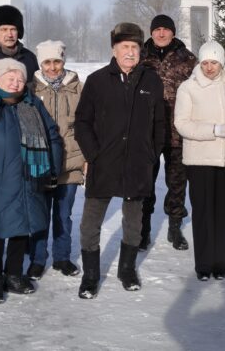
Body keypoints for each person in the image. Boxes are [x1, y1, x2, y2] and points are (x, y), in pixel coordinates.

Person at [0, 58, 62, 305]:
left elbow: (52, 136)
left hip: (30, 179)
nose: (15, 83)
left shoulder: (32, 104)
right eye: (10, 78)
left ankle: (14, 275)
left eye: (20, 79)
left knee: (21, 228)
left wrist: (52, 170)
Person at [74, 22, 165, 299]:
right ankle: (90, 276)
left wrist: (151, 153)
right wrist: (94, 154)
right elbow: (82, 121)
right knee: (90, 223)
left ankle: (127, 269)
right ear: (114, 49)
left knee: (134, 223)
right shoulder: (97, 80)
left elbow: (160, 123)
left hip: (137, 164)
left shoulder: (151, 81)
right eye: (125, 46)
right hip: (104, 163)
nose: (130, 52)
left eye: (134, 47)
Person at [174, 41, 225, 281]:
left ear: (222, 62)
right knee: (203, 212)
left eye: (213, 62)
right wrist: (216, 129)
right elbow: (182, 124)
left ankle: (221, 264)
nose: (209, 67)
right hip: (200, 159)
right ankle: (204, 265)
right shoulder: (188, 87)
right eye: (204, 62)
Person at [26, 40, 85, 280]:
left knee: (63, 214)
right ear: (40, 64)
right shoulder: (31, 89)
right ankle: (37, 259)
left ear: (63, 61)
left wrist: (87, 157)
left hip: (70, 162)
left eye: (57, 61)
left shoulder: (78, 88)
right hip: (40, 162)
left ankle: (62, 257)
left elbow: (88, 124)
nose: (52, 67)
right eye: (47, 62)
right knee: (39, 214)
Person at [139, 14, 197, 251]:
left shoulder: (188, 59)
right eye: (157, 29)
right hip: (147, 133)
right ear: (151, 32)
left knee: (177, 184)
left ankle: (175, 227)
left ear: (173, 32)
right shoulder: (140, 57)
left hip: (177, 133)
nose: (161, 33)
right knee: (145, 183)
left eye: (166, 29)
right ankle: (143, 230)